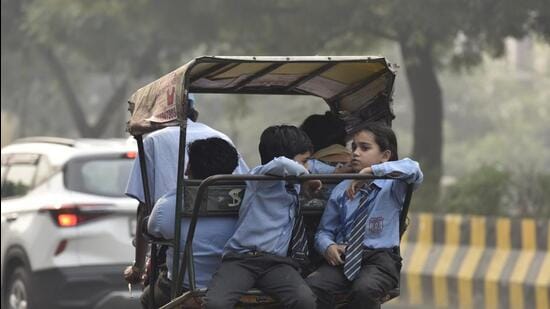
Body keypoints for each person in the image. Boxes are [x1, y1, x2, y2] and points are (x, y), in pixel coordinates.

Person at [123, 94, 248, 300]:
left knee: (150, 297)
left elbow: (145, 209)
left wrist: (137, 267)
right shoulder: (221, 139)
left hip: (181, 255)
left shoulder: (154, 142)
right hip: (228, 260)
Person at [305, 123, 423, 309]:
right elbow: (323, 231)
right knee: (313, 286)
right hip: (345, 257)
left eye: (364, 148)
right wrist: (328, 246)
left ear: (385, 156)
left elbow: (414, 169)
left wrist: (372, 172)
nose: (356, 153)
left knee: (364, 290)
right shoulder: (341, 189)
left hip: (379, 260)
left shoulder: (393, 186)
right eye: (354, 147)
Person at [204, 125, 320, 309]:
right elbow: (281, 164)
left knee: (304, 300)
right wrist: (305, 176)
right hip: (243, 259)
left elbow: (317, 166)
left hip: (276, 263)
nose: (307, 167)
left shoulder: (293, 185)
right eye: (303, 162)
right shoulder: (260, 178)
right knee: (216, 303)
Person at [141, 137, 240, 308]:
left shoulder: (171, 204)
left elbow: (153, 229)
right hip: (237, 284)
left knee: (147, 297)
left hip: (186, 288)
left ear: (190, 168)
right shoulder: (247, 197)